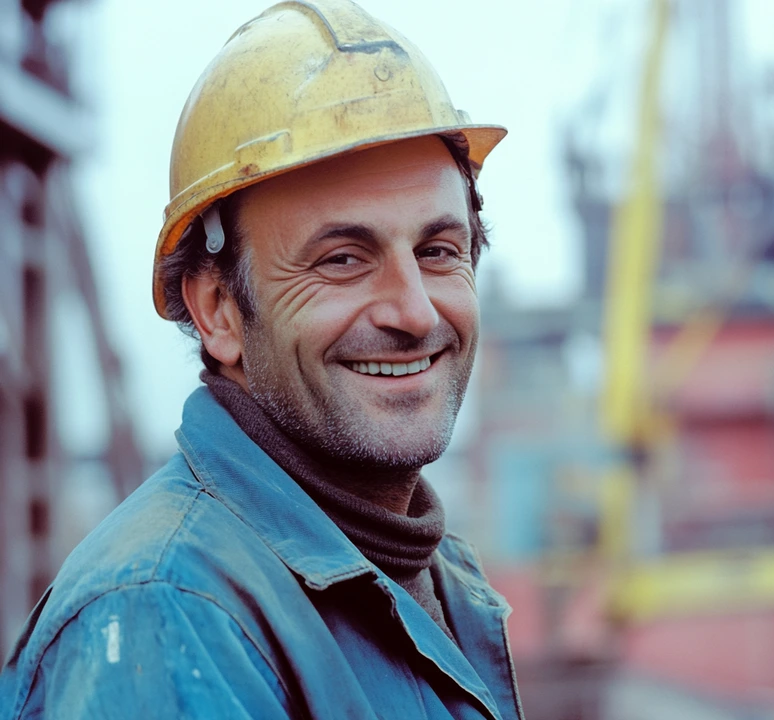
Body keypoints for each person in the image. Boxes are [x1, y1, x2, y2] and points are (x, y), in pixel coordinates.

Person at [0, 1, 520, 718]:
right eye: (343, 259)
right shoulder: (166, 615)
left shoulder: (428, 580)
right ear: (218, 310)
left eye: (438, 252)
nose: (416, 312)